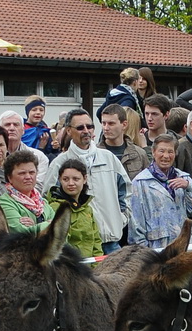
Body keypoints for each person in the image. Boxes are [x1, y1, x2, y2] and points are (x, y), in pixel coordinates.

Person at [38, 110, 132, 250]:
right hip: (79, 247)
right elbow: (48, 200)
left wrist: (121, 219)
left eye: (90, 126)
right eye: (80, 127)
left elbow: (126, 192)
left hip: (111, 242)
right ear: (69, 130)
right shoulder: (59, 163)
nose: (86, 131)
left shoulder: (109, 158)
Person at [128, 133, 192, 249]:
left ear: (175, 154)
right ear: (153, 152)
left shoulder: (183, 178)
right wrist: (143, 253)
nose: (166, 156)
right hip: (156, 248)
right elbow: (135, 224)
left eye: (170, 152)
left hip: (184, 244)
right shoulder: (140, 182)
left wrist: (189, 187)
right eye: (161, 151)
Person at [47, 157, 103, 256]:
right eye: (65, 179)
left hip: (89, 266)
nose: (71, 183)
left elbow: (96, 241)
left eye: (76, 179)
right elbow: (60, 244)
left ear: (85, 179)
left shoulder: (87, 208)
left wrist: (97, 266)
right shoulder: (55, 207)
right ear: (60, 179)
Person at [0, 148, 52, 235]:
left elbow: (63, 231)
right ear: (9, 177)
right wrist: (50, 224)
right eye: (22, 173)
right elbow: (22, 232)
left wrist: (35, 226)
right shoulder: (4, 203)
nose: (28, 177)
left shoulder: (43, 203)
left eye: (32, 172)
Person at [98, 103, 150, 180]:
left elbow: (148, 182)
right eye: (104, 123)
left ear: (124, 125)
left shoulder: (139, 154)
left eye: (111, 123)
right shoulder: (94, 154)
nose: (106, 128)